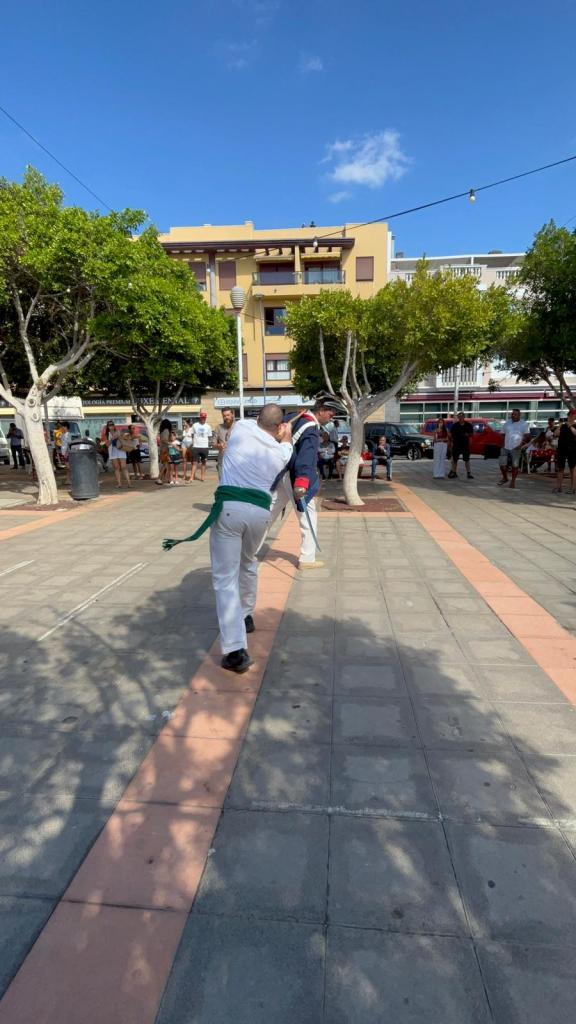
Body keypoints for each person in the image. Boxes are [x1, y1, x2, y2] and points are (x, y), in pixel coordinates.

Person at [162, 404, 293, 674]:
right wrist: (286, 435)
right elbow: (283, 443)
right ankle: (246, 616)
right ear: (279, 427)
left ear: (258, 418)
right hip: (260, 513)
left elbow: (256, 426)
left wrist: (277, 430)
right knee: (248, 562)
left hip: (231, 509)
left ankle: (235, 650)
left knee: (225, 579)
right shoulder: (282, 451)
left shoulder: (242, 427)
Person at [266, 396, 343, 569]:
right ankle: (307, 559)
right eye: (331, 414)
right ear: (321, 410)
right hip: (295, 476)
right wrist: (302, 482)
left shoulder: (296, 416)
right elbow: (305, 458)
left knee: (269, 514)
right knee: (308, 518)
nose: (331, 418)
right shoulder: (311, 428)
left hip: (282, 472)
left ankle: (247, 549)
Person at [498, 408, 529, 489]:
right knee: (502, 465)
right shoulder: (507, 423)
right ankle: (505, 478)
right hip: (505, 447)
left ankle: (513, 481)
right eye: (512, 414)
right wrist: (502, 444)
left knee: (515, 465)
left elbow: (527, 436)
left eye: (515, 414)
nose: (513, 415)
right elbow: (502, 434)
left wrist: (521, 445)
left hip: (516, 447)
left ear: (519, 415)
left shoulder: (524, 424)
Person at [553, 409, 576, 494]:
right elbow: (555, 434)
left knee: (572, 468)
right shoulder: (563, 426)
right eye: (571, 415)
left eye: (574, 415)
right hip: (562, 449)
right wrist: (559, 425)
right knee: (560, 468)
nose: (572, 417)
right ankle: (559, 487)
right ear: (568, 416)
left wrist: (570, 426)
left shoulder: (575, 425)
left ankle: (573, 488)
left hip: (572, 449)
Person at [448, 413, 474, 479]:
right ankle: (454, 472)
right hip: (456, 444)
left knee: (467, 459)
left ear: (464, 417)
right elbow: (450, 434)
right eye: (459, 417)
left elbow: (472, 434)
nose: (460, 418)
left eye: (461, 417)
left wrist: (467, 434)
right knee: (455, 459)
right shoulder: (455, 425)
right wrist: (450, 441)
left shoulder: (468, 425)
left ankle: (469, 473)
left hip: (465, 444)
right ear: (458, 417)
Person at [107, 424, 133, 489]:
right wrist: (112, 438)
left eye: (112, 424)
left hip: (121, 450)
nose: (111, 426)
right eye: (109, 425)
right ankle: (119, 484)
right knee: (116, 468)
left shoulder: (119, 432)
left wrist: (119, 436)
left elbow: (128, 438)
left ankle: (129, 483)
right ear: (108, 427)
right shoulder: (107, 435)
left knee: (124, 467)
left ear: (114, 426)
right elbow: (107, 445)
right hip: (113, 451)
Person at [190, 411, 213, 482]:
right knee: (194, 463)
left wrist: (209, 444)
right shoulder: (195, 425)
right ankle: (191, 477)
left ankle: (202, 477)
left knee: (204, 463)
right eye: (202, 417)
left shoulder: (208, 426)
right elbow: (192, 435)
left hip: (205, 447)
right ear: (200, 417)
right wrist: (193, 443)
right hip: (196, 446)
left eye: (204, 417)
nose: (203, 419)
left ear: (206, 418)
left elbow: (209, 437)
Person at [213, 407, 235, 479]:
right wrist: (219, 446)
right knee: (222, 483)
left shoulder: (238, 427)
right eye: (224, 416)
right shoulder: (218, 427)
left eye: (228, 415)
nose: (226, 417)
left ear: (232, 415)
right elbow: (213, 444)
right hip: (222, 461)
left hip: (236, 462)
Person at [156, 418, 172, 485]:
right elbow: (164, 440)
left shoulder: (162, 431)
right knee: (165, 465)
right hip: (164, 450)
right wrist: (171, 444)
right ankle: (159, 478)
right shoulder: (166, 430)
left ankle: (166, 478)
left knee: (166, 465)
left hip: (162, 449)